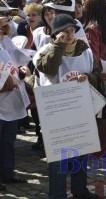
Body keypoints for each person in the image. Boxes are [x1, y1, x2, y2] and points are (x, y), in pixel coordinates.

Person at [33, 14, 101, 199]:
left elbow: (97, 73)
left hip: (80, 108)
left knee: (81, 153)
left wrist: (89, 78)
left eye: (72, 31)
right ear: (55, 34)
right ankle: (57, 194)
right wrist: (59, 46)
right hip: (56, 112)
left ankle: (80, 190)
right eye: (64, 32)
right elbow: (48, 68)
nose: (70, 35)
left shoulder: (85, 51)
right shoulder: (45, 51)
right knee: (58, 159)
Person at [0, 5, 29, 188]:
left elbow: (10, 64)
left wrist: (20, 71)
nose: (4, 29)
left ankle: (6, 173)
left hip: (10, 103)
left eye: (5, 26)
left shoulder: (4, 43)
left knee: (8, 141)